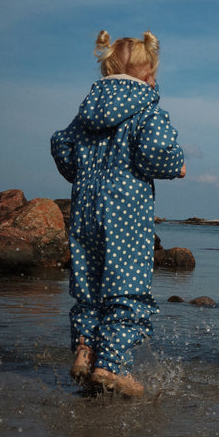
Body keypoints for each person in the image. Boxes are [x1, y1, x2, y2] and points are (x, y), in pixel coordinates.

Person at [51, 30, 185, 396]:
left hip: (85, 211)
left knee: (90, 285)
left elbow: (61, 146)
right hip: (125, 212)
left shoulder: (86, 114)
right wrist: (177, 165)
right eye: (154, 76)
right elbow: (156, 152)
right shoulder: (145, 109)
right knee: (127, 288)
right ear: (146, 76)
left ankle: (84, 351)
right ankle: (110, 367)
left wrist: (82, 173)